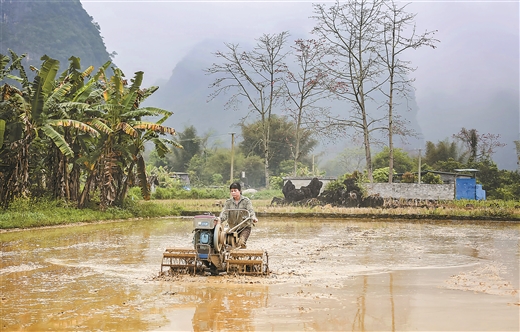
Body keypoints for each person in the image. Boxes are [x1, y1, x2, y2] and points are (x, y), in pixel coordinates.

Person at [219, 182, 258, 249]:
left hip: (244, 227)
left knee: (241, 243)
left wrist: (254, 218)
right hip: (232, 228)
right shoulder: (228, 202)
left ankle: (240, 255)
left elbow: (251, 211)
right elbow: (224, 213)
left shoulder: (246, 201)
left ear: (239, 191)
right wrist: (219, 220)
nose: (233, 192)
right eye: (231, 191)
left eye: (235, 190)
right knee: (228, 245)